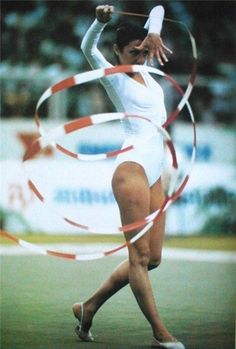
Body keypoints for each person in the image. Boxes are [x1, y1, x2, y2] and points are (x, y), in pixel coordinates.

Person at [72, 4, 185, 349]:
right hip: (131, 170)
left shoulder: (148, 73)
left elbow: (158, 7)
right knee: (137, 257)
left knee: (152, 259)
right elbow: (87, 49)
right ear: (118, 52)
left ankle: (87, 307)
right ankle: (159, 334)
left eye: (142, 49)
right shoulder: (115, 75)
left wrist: (154, 31)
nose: (138, 54)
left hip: (153, 173)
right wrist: (98, 22)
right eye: (131, 51)